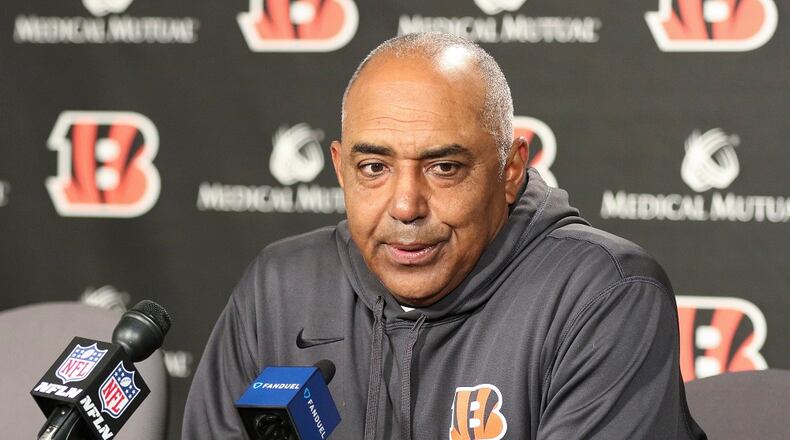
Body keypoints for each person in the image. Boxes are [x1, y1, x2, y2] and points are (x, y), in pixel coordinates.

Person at [183, 32, 706, 439]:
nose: (406, 206)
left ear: (510, 170)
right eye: (374, 168)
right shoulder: (280, 285)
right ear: (341, 170)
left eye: (444, 168)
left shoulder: (602, 295)